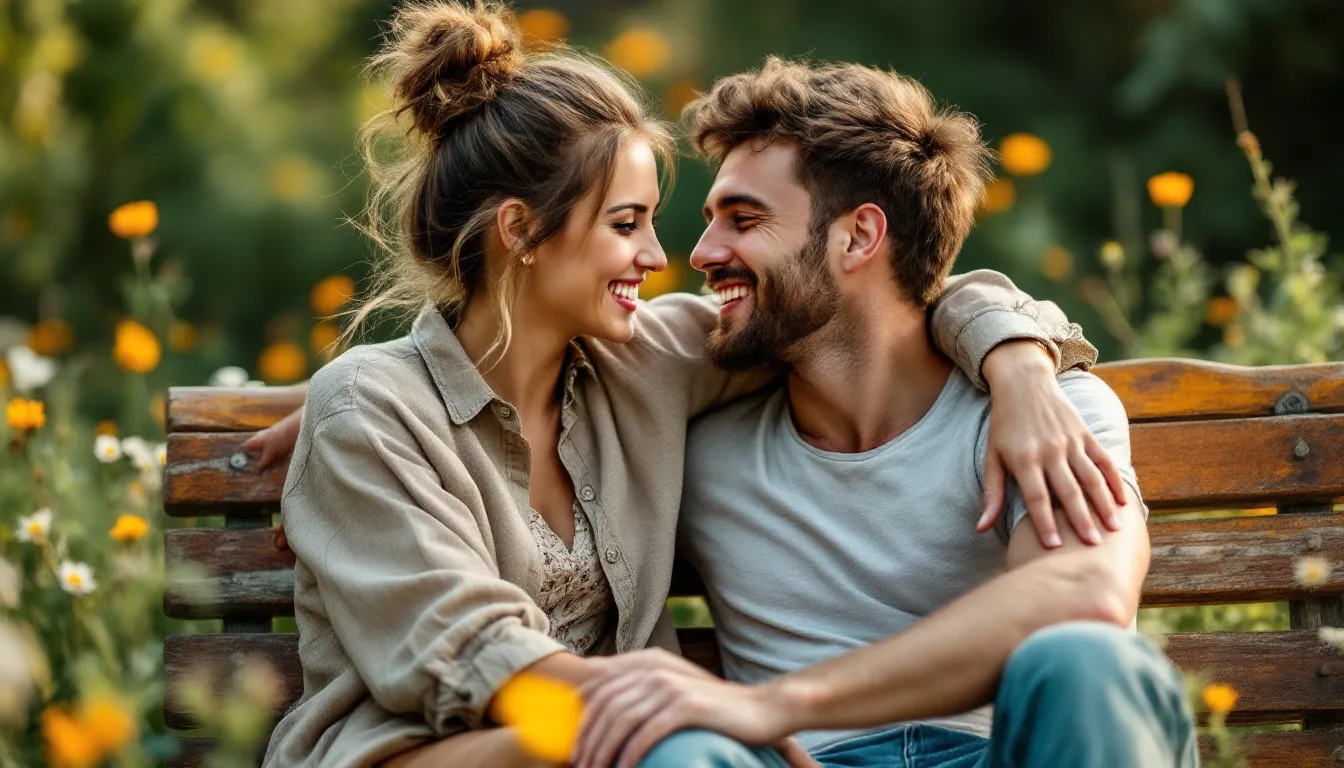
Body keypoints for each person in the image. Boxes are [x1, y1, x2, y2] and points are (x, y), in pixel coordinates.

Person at [256, 3, 1118, 767]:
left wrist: (1017, 361)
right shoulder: (376, 408)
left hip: (623, 742)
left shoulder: (645, 368)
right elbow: (476, 656)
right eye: (628, 224)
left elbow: (879, 308)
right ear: (520, 232)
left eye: (723, 220)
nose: (668, 259)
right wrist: (359, 400)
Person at [571, 58, 1198, 768]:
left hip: (1005, 753)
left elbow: (1087, 592)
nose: (703, 252)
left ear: (860, 237)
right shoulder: (693, 436)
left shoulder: (1049, 412)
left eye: (744, 220)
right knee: (678, 754)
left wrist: (774, 703)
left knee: (1092, 663)